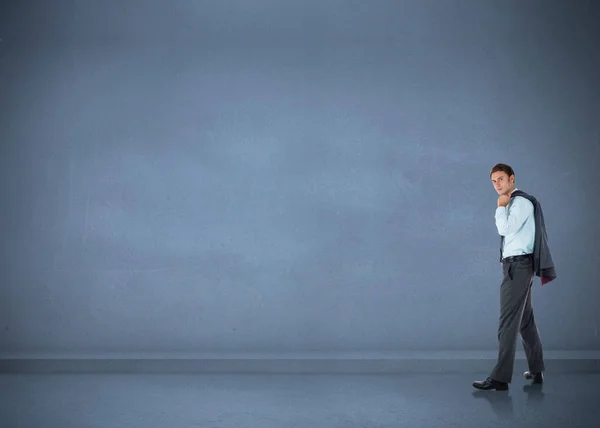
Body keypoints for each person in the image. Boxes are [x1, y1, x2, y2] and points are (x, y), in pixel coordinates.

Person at [472, 163, 554, 391]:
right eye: (493, 181)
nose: (497, 185)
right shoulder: (514, 202)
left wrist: (499, 207)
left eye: (501, 179)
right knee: (525, 321)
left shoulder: (520, 202)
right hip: (515, 266)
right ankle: (536, 371)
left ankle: (500, 378)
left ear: (512, 178)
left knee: (507, 322)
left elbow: (505, 229)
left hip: (518, 267)